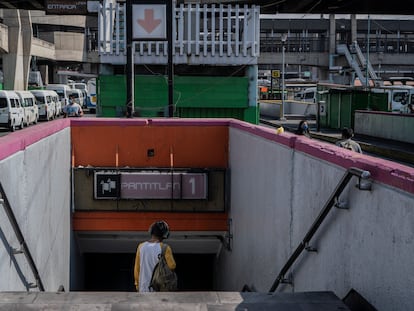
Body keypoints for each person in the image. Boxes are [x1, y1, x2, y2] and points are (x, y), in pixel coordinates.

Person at [134, 220, 176, 292]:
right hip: (159, 288)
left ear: (151, 232)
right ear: (164, 234)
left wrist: (137, 285)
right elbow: (172, 266)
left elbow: (137, 269)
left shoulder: (141, 247)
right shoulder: (165, 248)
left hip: (143, 288)